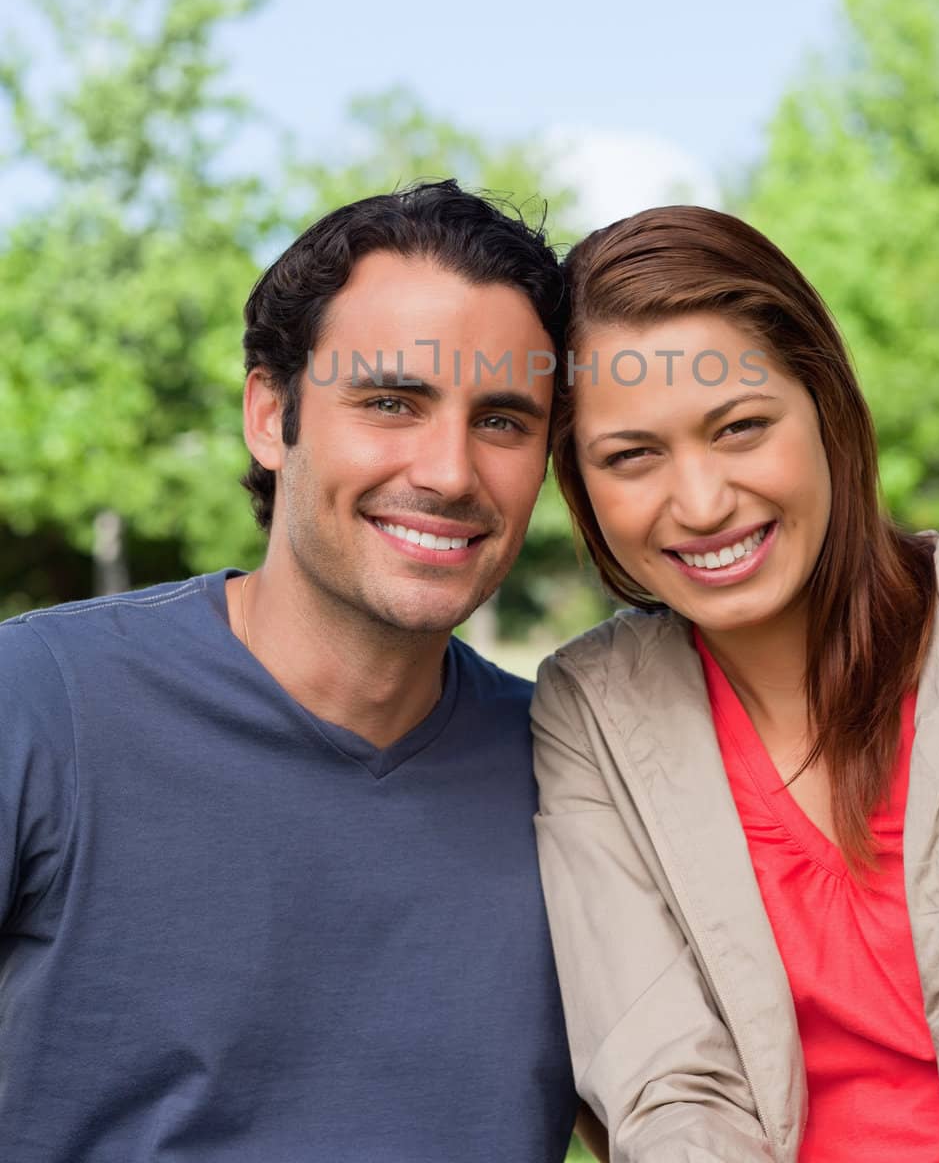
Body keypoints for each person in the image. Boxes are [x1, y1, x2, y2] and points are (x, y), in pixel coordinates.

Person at [0, 180, 584, 1162]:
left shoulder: (577, 781)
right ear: (271, 416)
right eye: (391, 401)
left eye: (500, 420)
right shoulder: (36, 704)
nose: (447, 471)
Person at [532, 203, 939, 1163]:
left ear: (827, 409)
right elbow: (667, 1092)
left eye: (739, 428)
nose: (700, 504)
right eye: (631, 456)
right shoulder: (587, 712)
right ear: (578, 482)